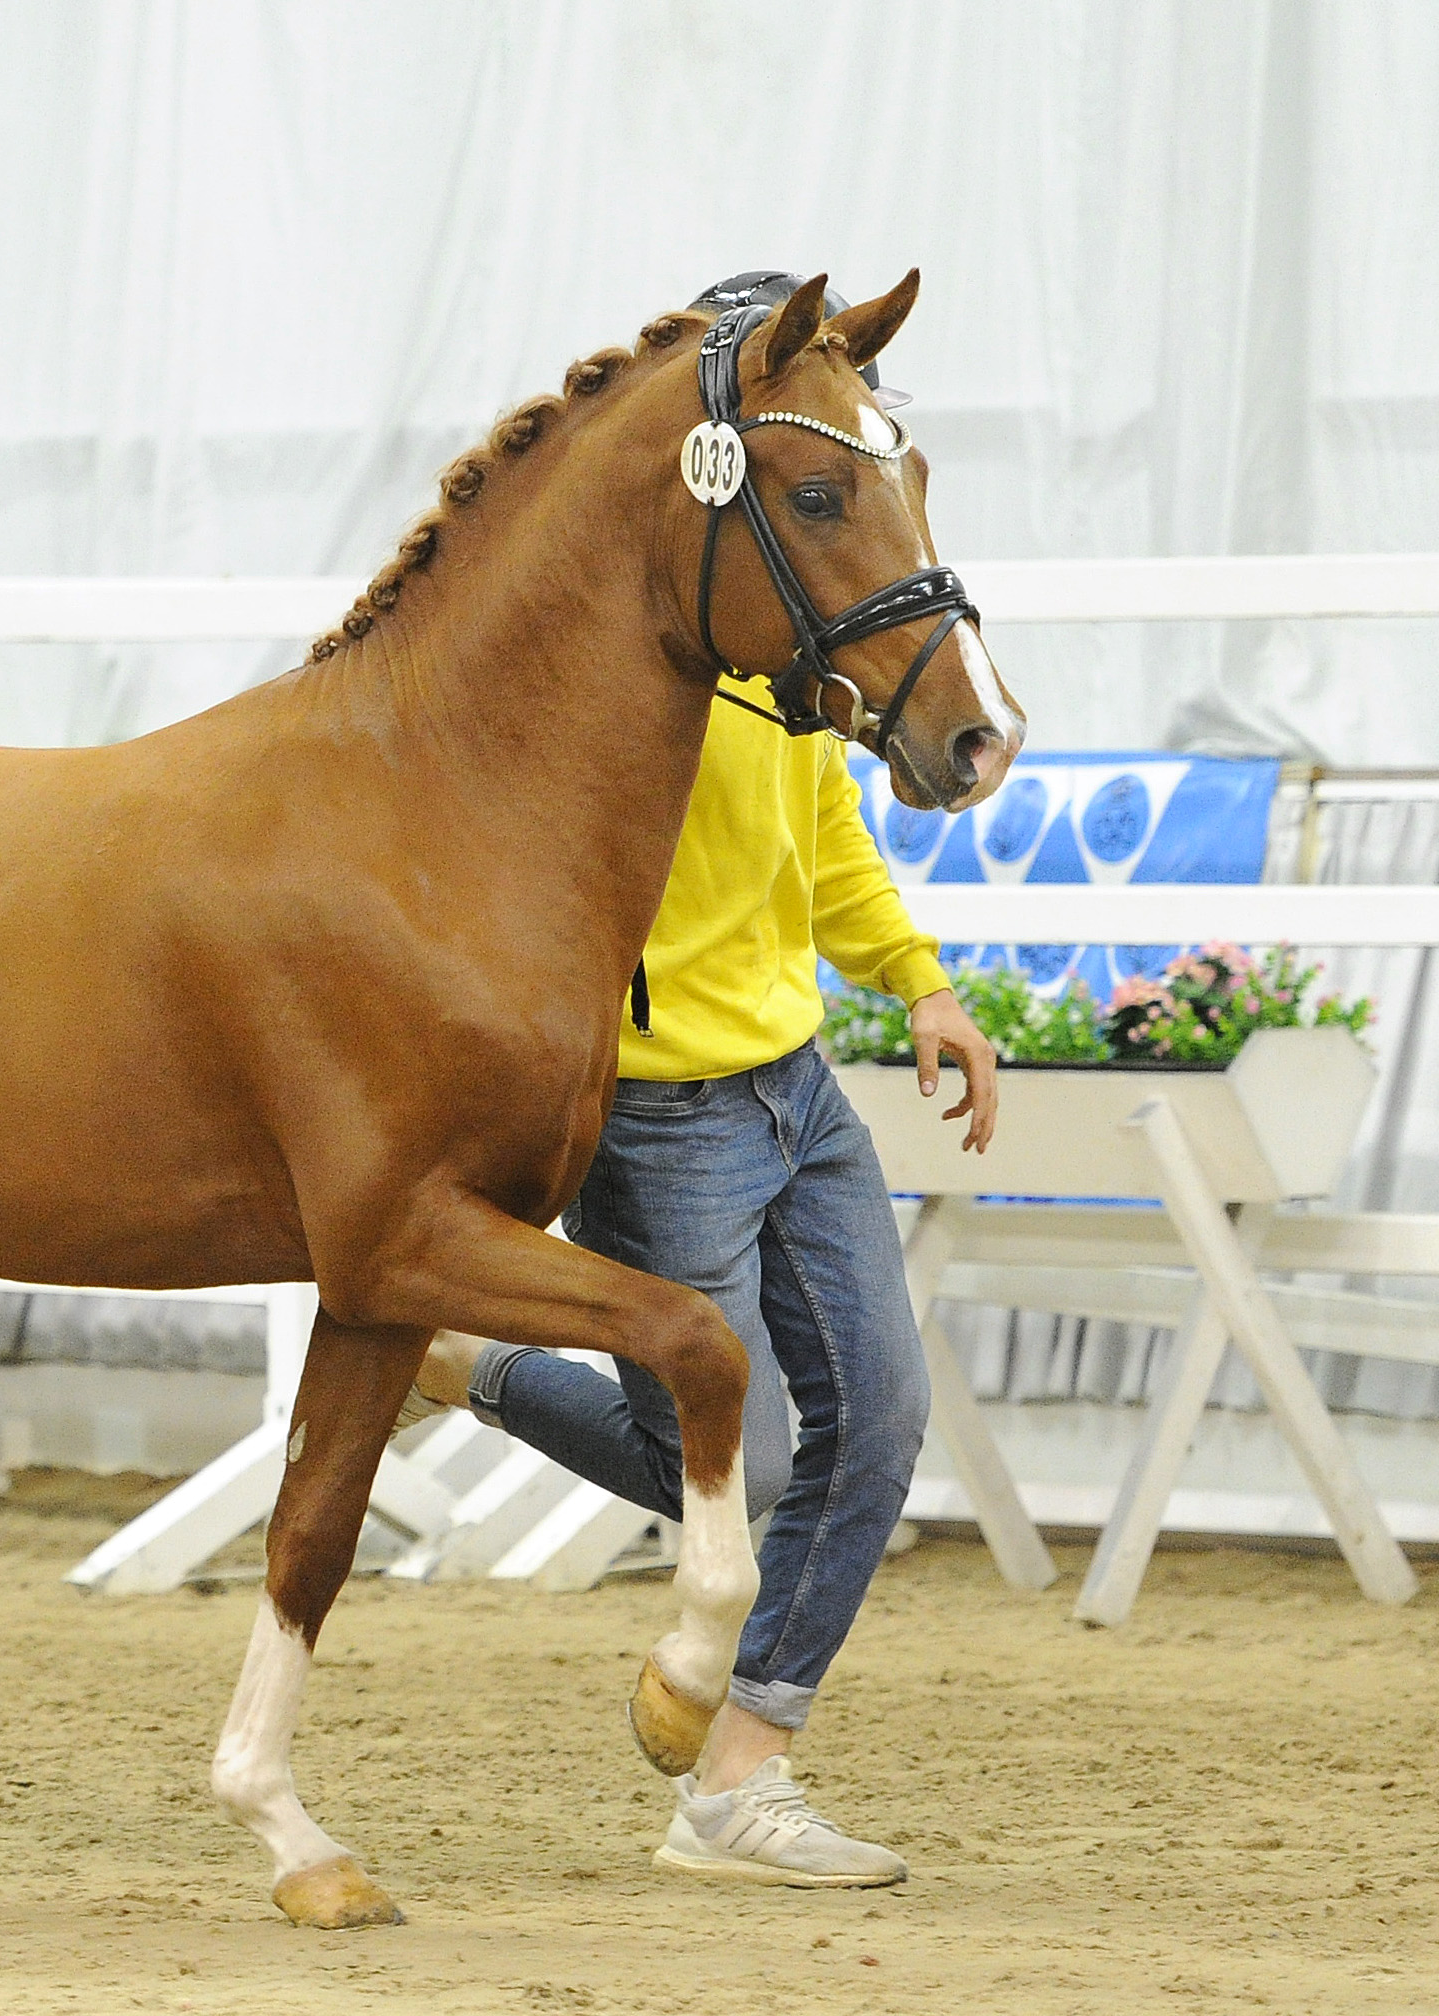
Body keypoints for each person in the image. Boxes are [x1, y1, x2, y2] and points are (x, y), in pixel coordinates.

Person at [412, 272, 1004, 1889]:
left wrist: (923, 986)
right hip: (664, 1107)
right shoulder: (599, 686)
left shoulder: (781, 659)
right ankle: (476, 1368)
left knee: (878, 1423)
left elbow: (827, 844)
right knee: (714, 1455)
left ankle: (742, 1782)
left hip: (794, 1084)